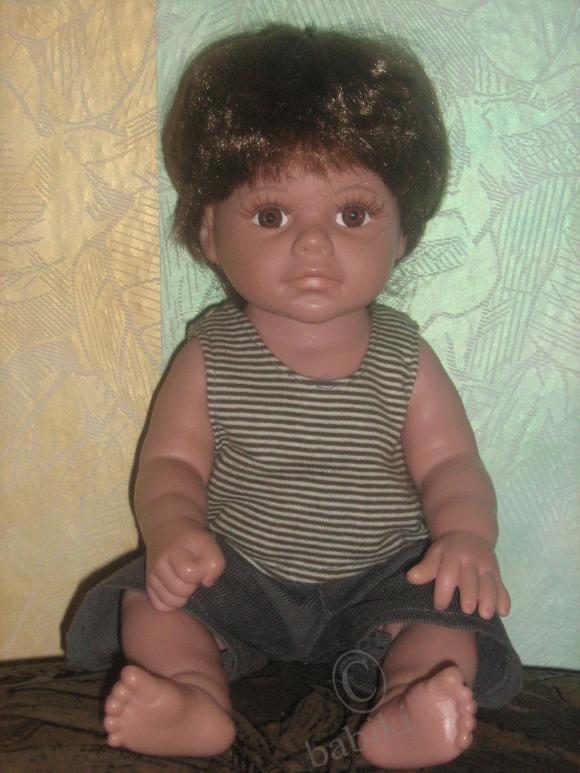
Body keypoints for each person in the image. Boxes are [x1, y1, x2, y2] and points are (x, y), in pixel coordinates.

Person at [66, 23, 522, 768]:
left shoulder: (405, 356)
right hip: (237, 573)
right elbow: (172, 462)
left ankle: (408, 704)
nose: (312, 243)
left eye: (352, 214)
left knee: (448, 615)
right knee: (152, 600)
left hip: (381, 582)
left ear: (403, 234)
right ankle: (191, 697)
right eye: (272, 216)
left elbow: (450, 464)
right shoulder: (212, 352)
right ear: (210, 233)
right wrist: (173, 528)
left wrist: (467, 537)